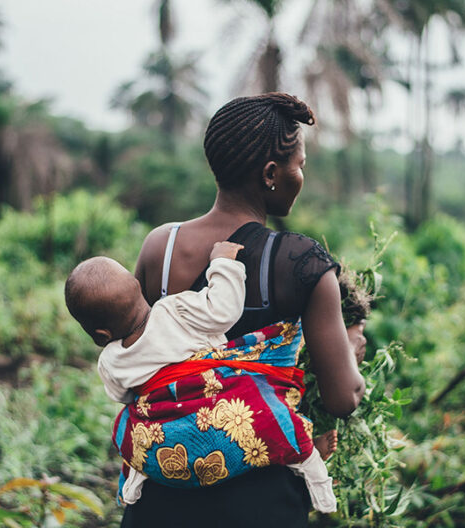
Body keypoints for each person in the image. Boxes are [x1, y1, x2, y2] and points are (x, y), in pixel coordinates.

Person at [122, 92, 365, 527]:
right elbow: (342, 398)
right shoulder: (302, 262)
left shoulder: (161, 246)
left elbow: (135, 356)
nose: (301, 176)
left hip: (163, 487)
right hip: (262, 501)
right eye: (300, 165)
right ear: (272, 173)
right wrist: (350, 345)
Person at [63, 242, 339, 511]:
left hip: (168, 438)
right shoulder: (174, 310)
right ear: (138, 287)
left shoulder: (111, 360)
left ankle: (136, 477)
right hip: (217, 408)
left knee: (127, 426)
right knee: (270, 415)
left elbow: (124, 396)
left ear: (100, 335)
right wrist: (222, 263)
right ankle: (312, 469)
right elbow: (223, 310)